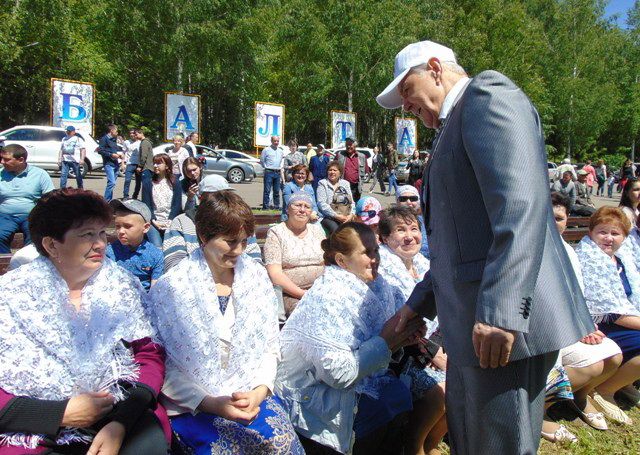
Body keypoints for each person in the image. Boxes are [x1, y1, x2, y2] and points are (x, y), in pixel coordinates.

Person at [377, 40, 593, 454]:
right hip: (472, 326)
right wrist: (416, 305)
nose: (405, 106)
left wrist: (502, 312)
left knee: (499, 445)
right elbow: (457, 244)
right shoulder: (454, 121)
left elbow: (520, 208)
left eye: (406, 90)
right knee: (474, 441)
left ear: (436, 68)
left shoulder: (487, 96)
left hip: (499, 328)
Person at [0, 188, 169, 454]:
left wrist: (121, 421)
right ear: (51, 244)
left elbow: (149, 354)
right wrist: (57, 414)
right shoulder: (10, 296)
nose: (101, 243)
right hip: (35, 428)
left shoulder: (121, 285)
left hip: (121, 413)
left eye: (102, 232)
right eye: (87, 235)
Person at [148, 191, 304, 454]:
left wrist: (259, 391)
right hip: (194, 405)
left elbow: (269, 345)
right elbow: (165, 364)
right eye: (230, 242)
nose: (239, 251)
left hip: (251, 395)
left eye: (244, 242)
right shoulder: (172, 288)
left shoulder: (255, 278)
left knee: (281, 443)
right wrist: (211, 403)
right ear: (203, 237)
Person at [276, 222, 424, 454]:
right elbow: (337, 374)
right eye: (366, 252)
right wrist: (387, 341)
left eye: (375, 250)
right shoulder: (329, 297)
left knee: (397, 396)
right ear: (341, 261)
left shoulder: (378, 286)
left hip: (354, 385)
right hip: (313, 397)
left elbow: (395, 324)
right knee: (388, 401)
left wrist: (406, 335)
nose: (375, 258)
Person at [376, 206, 447, 455]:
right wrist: (433, 353)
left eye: (414, 229)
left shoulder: (423, 263)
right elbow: (396, 324)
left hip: (433, 347)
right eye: (400, 230)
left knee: (465, 383)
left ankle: (431, 444)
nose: (409, 236)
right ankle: (414, 446)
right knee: (443, 392)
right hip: (402, 355)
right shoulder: (382, 270)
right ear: (384, 238)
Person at [551, 193, 622, 432]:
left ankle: (579, 396)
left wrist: (585, 325)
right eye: (548, 217)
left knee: (613, 356)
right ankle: (539, 407)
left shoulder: (568, 252)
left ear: (567, 219)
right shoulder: (530, 251)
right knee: (591, 365)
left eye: (559, 218)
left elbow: (577, 296)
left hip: (570, 327)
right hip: (547, 332)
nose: (554, 223)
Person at [576, 207, 640, 425]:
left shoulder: (621, 261)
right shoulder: (589, 259)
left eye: (615, 233)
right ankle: (605, 390)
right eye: (603, 232)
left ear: (624, 237)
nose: (609, 238)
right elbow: (612, 314)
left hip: (623, 320)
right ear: (591, 232)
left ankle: (623, 382)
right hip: (600, 324)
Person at [162, 175, 262, 271]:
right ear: (201, 198)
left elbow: (255, 261)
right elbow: (173, 265)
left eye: (226, 194)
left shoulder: (241, 222)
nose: (221, 200)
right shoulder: (180, 223)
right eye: (215, 195)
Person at [264, 193, 326, 317]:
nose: (302, 210)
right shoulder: (276, 233)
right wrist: (303, 294)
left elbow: (328, 262)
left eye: (307, 207)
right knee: (310, 313)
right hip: (290, 294)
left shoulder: (317, 231)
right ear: (287, 209)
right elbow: (275, 274)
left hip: (321, 289)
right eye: (298, 205)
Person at [0, 144, 54, 253]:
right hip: (5, 216)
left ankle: (27, 263)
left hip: (31, 215)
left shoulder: (40, 174)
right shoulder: (1, 174)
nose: (2, 162)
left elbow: (50, 198)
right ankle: (6, 265)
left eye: (6, 159)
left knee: (36, 237)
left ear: (21, 160)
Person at [107, 199, 164, 291]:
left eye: (127, 226)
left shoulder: (155, 255)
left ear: (145, 228)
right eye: (117, 226)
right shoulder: (109, 252)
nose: (121, 231)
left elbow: (155, 291)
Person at [317, 161, 356, 234]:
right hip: (328, 216)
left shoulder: (345, 183)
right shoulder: (322, 183)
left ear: (340, 173)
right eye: (330, 170)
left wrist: (351, 214)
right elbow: (321, 204)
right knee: (336, 231)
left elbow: (352, 202)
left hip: (345, 215)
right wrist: (336, 216)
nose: (332, 172)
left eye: (335, 170)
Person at [396, 184, 430, 259]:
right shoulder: (392, 222)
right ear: (397, 201)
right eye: (403, 199)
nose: (408, 202)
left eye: (413, 198)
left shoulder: (427, 221)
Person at [148, 153, 175, 247]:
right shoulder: (148, 182)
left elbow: (176, 204)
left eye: (159, 163)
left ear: (167, 165)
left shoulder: (175, 182)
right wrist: (153, 220)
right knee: (157, 246)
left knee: (170, 246)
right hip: (154, 221)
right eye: (154, 163)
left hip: (170, 220)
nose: (155, 166)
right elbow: (146, 205)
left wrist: (170, 220)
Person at [335, 137, 367, 202]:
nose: (348, 146)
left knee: (355, 205)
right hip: (342, 186)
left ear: (355, 146)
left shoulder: (362, 156)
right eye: (347, 145)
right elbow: (334, 168)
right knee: (342, 205)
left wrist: (361, 183)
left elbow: (366, 171)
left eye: (350, 144)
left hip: (356, 187)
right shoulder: (340, 155)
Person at [97, 123, 121, 201]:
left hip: (115, 164)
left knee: (111, 184)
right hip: (108, 164)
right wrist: (111, 155)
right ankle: (105, 202)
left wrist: (119, 155)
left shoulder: (114, 139)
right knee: (112, 183)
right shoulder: (104, 139)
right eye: (116, 131)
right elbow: (100, 151)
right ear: (112, 130)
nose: (117, 132)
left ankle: (109, 201)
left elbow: (114, 150)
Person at [261, 135, 284, 210]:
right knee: (267, 190)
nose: (276, 142)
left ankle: (276, 206)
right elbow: (262, 160)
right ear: (271, 141)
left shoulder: (280, 151)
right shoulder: (266, 150)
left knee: (276, 191)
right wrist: (266, 167)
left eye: (277, 141)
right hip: (269, 172)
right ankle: (265, 207)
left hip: (277, 172)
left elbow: (281, 162)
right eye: (275, 141)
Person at [135, 128, 155, 213]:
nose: (135, 136)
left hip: (146, 168)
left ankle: (146, 206)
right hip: (147, 168)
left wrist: (140, 166)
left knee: (146, 188)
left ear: (141, 133)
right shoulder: (146, 142)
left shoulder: (144, 143)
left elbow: (144, 156)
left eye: (136, 134)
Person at [123, 129, 141, 199]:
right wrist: (122, 164)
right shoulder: (126, 142)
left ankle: (135, 196)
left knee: (138, 182)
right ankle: (125, 196)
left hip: (138, 164)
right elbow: (124, 153)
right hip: (129, 164)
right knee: (127, 180)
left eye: (133, 133)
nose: (132, 135)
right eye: (130, 133)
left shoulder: (140, 142)